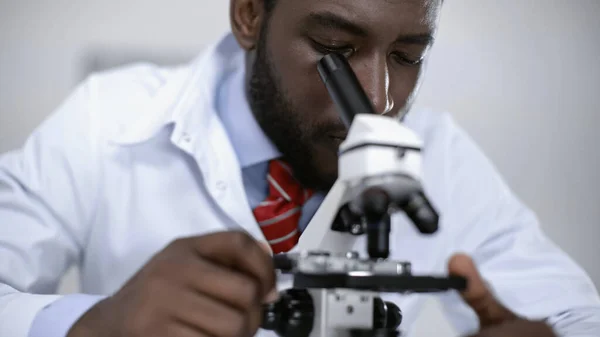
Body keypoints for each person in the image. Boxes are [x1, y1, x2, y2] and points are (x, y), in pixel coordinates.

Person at [0, 0, 599, 336]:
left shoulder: (434, 150)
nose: (380, 100)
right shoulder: (109, 116)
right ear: (250, 15)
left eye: (407, 56)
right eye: (336, 52)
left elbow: (576, 317)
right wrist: (91, 325)